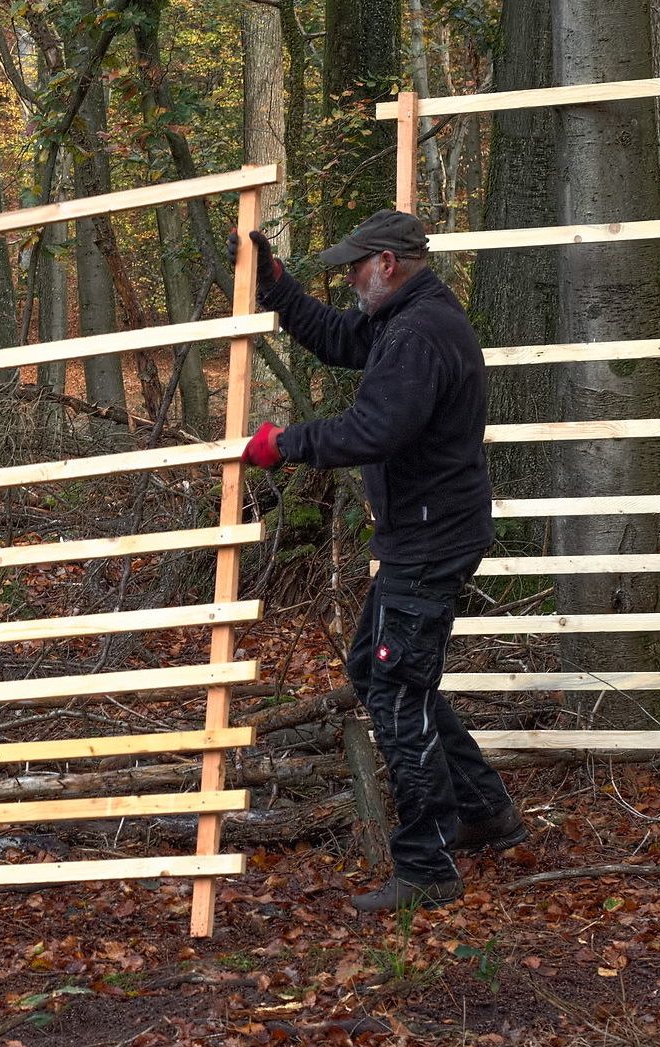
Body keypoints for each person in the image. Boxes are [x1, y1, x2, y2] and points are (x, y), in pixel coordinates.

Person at [235, 210, 525, 912]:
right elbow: (340, 336)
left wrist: (288, 443)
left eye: (354, 270)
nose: (351, 283)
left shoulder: (422, 333)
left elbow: (375, 428)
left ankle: (427, 864)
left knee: (396, 689)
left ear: (387, 264)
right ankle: (485, 810)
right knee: (380, 669)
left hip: (430, 540)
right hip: (424, 533)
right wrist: (279, 288)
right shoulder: (403, 318)